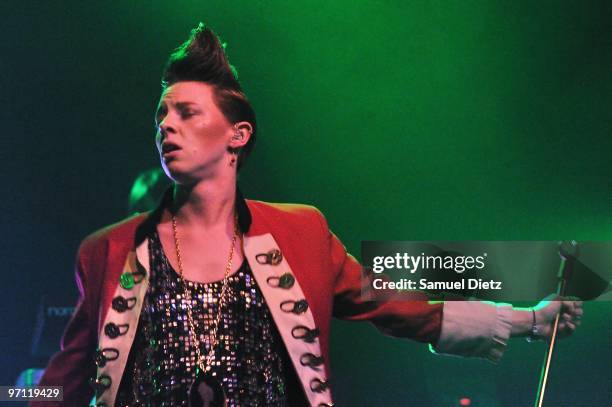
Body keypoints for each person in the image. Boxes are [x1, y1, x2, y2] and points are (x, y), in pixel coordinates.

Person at [34, 23, 583, 407]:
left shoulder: (300, 232)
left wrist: (530, 320)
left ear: (237, 135)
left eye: (185, 112)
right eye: (161, 114)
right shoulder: (107, 249)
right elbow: (58, 382)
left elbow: (398, 306)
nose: (165, 125)